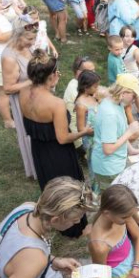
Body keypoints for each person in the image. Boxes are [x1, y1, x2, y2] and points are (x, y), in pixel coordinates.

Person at [20, 50, 91, 196]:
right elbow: (63, 138)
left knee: (50, 190)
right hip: (58, 155)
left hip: (38, 150)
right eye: (57, 72)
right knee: (67, 192)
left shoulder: (23, 92)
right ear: (51, 76)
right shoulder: (56, 104)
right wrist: (84, 132)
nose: (58, 74)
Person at [91, 75, 139, 188]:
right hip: (108, 168)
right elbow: (108, 149)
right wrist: (130, 132)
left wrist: (131, 150)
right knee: (110, 202)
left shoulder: (117, 103)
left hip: (114, 164)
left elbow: (118, 134)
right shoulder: (110, 114)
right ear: (123, 92)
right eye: (133, 95)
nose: (134, 99)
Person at [2, 28, 37, 180]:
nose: (33, 43)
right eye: (29, 40)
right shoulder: (9, 58)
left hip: (36, 96)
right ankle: (36, 167)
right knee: (31, 133)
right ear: (18, 35)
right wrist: (34, 80)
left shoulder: (27, 47)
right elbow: (8, 88)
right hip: (23, 101)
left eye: (34, 39)